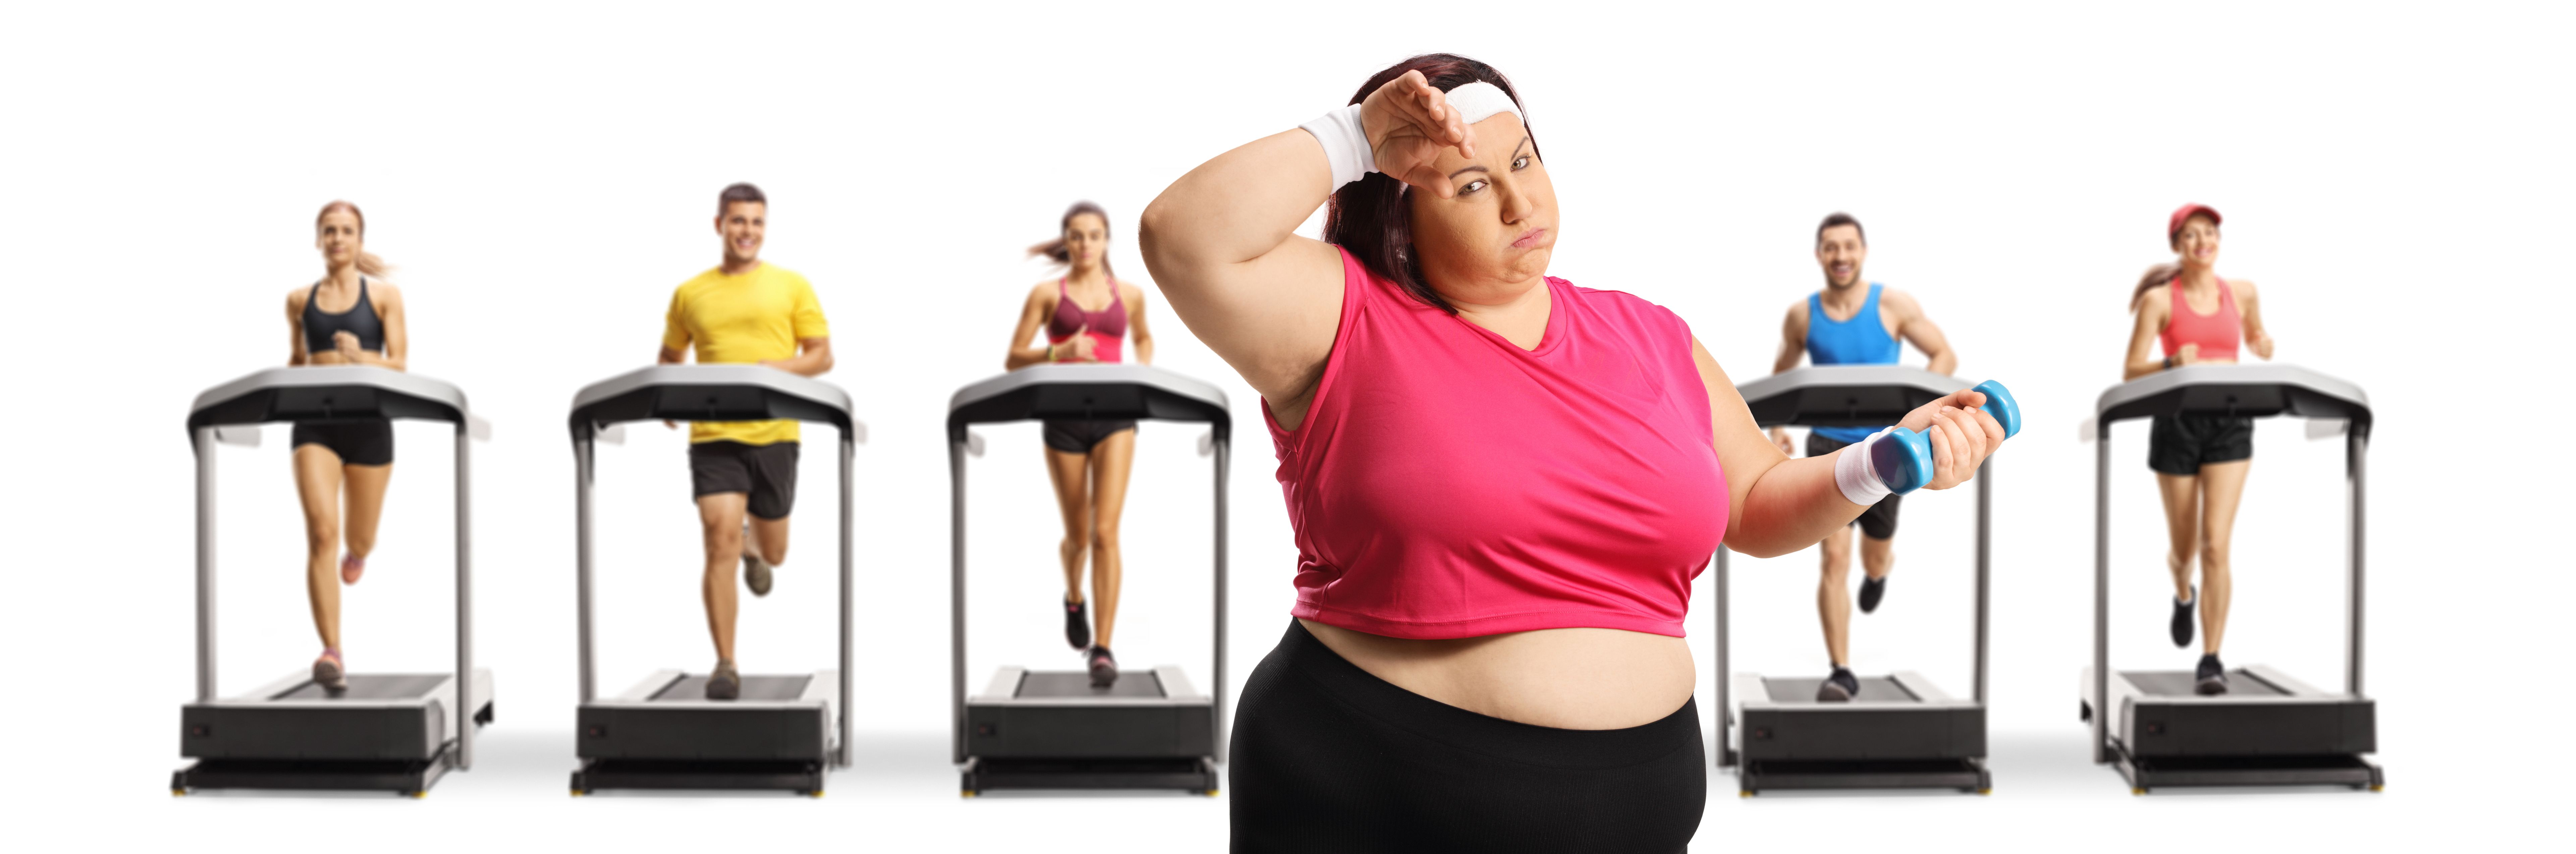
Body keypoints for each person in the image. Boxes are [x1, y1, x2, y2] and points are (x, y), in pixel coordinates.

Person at [1140, 54, 2008, 850]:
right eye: (1471, 184)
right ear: (1397, 207)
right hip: (1367, 782)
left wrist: (1889, 459)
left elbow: (1756, 502)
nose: (1521, 204)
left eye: (1523, 163)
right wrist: (1355, 137)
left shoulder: (1649, 334)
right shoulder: (1343, 315)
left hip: (1634, 804)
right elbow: (1184, 238)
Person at [1766, 212, 1958, 701]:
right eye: (1831, 248)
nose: (1841, 257)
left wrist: (1913, 415)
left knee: (1873, 555)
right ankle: (1842, 671)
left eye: (1849, 247)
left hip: (1888, 449)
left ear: (1863, 251)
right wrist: (1778, 426)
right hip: (1827, 447)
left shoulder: (1893, 305)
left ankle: (1880, 573)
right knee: (1834, 557)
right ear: (1819, 256)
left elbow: (1944, 356)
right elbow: (1782, 370)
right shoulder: (1802, 316)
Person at [657, 182, 834, 700]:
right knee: (717, 540)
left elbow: (821, 355)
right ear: (719, 225)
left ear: (765, 227)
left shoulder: (791, 285)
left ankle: (755, 551)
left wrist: (769, 371)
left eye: (756, 223)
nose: (747, 232)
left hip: (775, 433)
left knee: (776, 553)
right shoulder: (690, 293)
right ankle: (725, 663)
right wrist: (669, 396)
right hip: (714, 435)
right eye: (737, 221)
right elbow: (671, 357)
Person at [2121, 203, 2274, 695]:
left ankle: (2211, 658)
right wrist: (2170, 362)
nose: (2202, 241)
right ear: (2176, 246)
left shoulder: (2244, 292)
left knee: (2216, 544)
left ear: (2218, 240)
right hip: (2177, 424)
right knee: (2185, 549)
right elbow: (2130, 370)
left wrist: (2262, 342)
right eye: (2190, 235)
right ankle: (2182, 592)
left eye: (2209, 233)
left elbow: (2254, 337)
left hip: (2231, 422)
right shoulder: (2160, 302)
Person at [1002, 202, 1157, 687]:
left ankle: (1104, 649)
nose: (1085, 244)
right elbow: (1013, 358)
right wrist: (1060, 350)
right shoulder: (1047, 295)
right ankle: (1074, 596)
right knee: (1076, 535)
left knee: (1105, 532)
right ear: (1067, 242)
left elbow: (1145, 338)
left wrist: (1142, 371)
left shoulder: (1129, 295)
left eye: (1094, 235)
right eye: (1076, 236)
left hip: (1116, 417)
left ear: (1106, 240)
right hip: (1063, 417)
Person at [286, 201, 409, 692]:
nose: (338, 239)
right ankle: (332, 651)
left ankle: (358, 555)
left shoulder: (385, 298)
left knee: (358, 540)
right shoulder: (298, 300)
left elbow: (400, 364)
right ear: (318, 241)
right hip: (314, 424)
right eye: (329, 232)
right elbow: (295, 359)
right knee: (320, 532)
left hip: (370, 426)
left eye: (347, 232)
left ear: (359, 241)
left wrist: (365, 357)